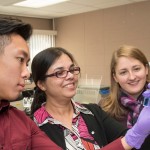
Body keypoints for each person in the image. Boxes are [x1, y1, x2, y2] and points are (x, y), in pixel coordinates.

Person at [30, 47, 150, 150]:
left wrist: (142, 132)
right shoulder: (33, 127)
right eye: (59, 73)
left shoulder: (93, 112)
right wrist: (135, 135)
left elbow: (137, 146)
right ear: (41, 84)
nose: (71, 76)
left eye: (72, 69)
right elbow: (129, 140)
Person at [0, 17, 61, 150]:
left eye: (26, 64)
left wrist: (119, 143)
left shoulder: (21, 121)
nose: (27, 73)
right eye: (20, 60)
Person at [99, 45, 150, 149]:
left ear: (146, 69)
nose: (131, 77)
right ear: (115, 77)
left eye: (136, 69)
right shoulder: (104, 108)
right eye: (123, 72)